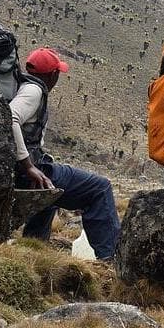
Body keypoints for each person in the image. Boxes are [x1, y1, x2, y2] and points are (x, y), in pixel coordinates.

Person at [10, 48, 120, 260]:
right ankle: (110, 260)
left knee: (51, 189)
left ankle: (34, 249)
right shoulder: (33, 91)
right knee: (99, 188)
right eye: (57, 73)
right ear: (53, 75)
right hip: (27, 170)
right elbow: (11, 118)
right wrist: (28, 165)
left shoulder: (22, 86)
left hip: (23, 169)